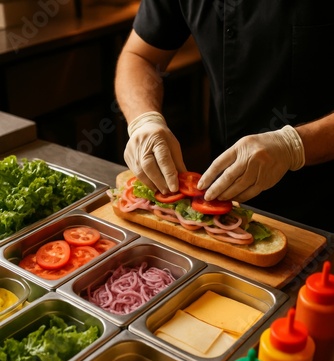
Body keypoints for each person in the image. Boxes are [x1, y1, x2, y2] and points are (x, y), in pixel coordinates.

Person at [114, 1, 334, 232]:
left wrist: (293, 147)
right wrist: (144, 121)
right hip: (225, 196)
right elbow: (141, 56)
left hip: (323, 198)